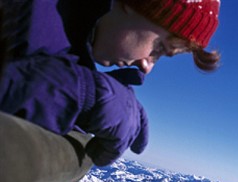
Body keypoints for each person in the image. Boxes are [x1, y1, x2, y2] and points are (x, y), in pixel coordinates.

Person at [0, 1, 220, 165]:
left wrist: (84, 102)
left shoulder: (65, 36)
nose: (146, 66)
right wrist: (87, 95)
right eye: (159, 48)